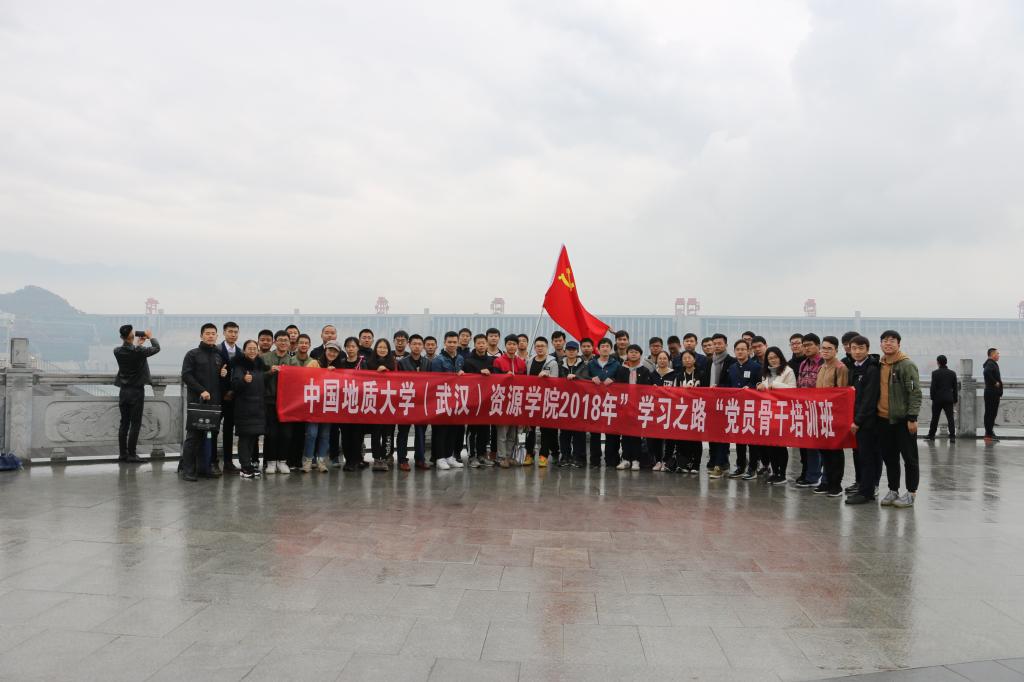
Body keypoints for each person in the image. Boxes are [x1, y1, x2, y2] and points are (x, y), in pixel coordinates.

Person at [877, 330, 922, 509]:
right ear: (880, 344)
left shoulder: (906, 365)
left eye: (892, 341)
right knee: (890, 458)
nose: (888, 343)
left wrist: (912, 417)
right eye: (885, 340)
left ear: (899, 344)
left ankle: (911, 493)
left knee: (910, 458)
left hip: (903, 420)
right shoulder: (879, 364)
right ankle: (893, 490)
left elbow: (915, 392)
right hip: (883, 420)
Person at [180, 323, 227, 482]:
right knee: (193, 436)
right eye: (207, 333)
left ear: (217, 336)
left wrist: (223, 374)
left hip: (214, 403)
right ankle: (188, 470)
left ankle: (204, 468)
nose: (210, 336)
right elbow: (186, 375)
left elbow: (220, 379)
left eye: (213, 333)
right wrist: (201, 390)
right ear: (201, 336)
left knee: (210, 436)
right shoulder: (192, 354)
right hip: (197, 402)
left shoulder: (218, 355)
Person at [113, 324, 160, 464]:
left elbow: (131, 351)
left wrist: (139, 344)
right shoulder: (139, 351)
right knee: (135, 423)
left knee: (124, 423)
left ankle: (123, 454)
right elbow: (157, 348)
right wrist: (150, 337)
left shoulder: (117, 351)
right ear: (132, 336)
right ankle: (132, 454)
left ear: (121, 337)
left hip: (123, 391)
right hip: (136, 391)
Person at [846, 335, 881, 505]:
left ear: (867, 349)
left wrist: (858, 421)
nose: (857, 351)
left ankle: (866, 493)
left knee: (867, 457)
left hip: (868, 422)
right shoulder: (854, 368)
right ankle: (864, 488)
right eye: (854, 348)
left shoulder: (872, 369)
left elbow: (869, 399)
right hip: (858, 419)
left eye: (861, 348)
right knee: (862, 456)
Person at [815, 336, 849, 497]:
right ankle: (827, 482)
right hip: (821, 414)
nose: (825, 351)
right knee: (824, 451)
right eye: (823, 348)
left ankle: (836, 484)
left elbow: (843, 393)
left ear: (836, 350)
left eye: (829, 348)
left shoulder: (840, 368)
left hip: (834, 415)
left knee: (835, 451)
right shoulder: (821, 367)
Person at [261, 329, 299, 474]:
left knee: (286, 434)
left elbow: (298, 381)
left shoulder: (293, 360)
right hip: (269, 401)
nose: (283, 343)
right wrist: (269, 372)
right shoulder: (265, 358)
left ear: (289, 343)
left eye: (286, 340)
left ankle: (282, 461)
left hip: (287, 403)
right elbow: (258, 377)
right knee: (271, 433)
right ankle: (270, 462)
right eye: (280, 340)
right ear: (274, 342)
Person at [756, 346, 796, 484]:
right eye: (770, 358)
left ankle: (782, 474)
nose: (773, 360)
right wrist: (760, 385)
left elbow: (793, 389)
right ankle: (774, 471)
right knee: (770, 444)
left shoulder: (788, 371)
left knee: (780, 445)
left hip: (782, 412)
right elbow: (764, 388)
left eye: (775, 357)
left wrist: (775, 385)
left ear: (780, 357)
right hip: (769, 412)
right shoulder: (766, 372)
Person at [723, 339, 761, 479]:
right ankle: (740, 466)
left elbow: (759, 384)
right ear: (734, 351)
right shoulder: (732, 367)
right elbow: (727, 385)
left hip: (751, 408)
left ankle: (753, 468)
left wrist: (750, 388)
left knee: (752, 439)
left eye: (743, 349)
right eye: (738, 349)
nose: (740, 352)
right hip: (736, 408)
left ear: (749, 351)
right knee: (739, 438)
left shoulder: (756, 367)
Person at [304, 340, 343, 473]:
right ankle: (308, 460)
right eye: (330, 350)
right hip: (314, 404)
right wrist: (325, 372)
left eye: (335, 351)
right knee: (311, 433)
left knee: (325, 434)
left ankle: (321, 460)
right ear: (325, 350)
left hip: (329, 405)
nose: (332, 353)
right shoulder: (314, 363)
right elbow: (305, 378)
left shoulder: (340, 367)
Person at [230, 340, 267, 478]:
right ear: (244, 351)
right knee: (245, 438)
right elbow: (235, 386)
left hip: (258, 407)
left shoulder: (260, 366)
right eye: (249, 349)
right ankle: (244, 467)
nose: (252, 351)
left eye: (254, 349)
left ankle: (249, 465)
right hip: (244, 407)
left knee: (253, 437)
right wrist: (244, 380)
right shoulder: (239, 366)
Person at [430, 331, 466, 470]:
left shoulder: (460, 358)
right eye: (449, 342)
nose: (452, 344)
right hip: (441, 399)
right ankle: (440, 458)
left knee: (453, 429)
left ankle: (449, 456)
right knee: (441, 430)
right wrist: (454, 375)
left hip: (456, 399)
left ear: (458, 343)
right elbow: (437, 380)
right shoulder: (438, 360)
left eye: (454, 342)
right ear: (444, 343)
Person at [613, 344, 652, 470]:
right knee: (625, 434)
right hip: (624, 405)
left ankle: (636, 460)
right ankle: (625, 459)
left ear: (640, 355)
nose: (633, 354)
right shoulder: (621, 370)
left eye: (636, 352)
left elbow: (647, 389)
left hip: (638, 406)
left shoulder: (645, 371)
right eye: (631, 352)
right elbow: (617, 388)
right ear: (627, 354)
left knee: (636, 434)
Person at [703, 333, 735, 479]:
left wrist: (719, 388)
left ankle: (720, 463)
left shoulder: (731, 362)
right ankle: (714, 459)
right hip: (710, 404)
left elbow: (732, 382)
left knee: (722, 434)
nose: (716, 346)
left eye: (719, 343)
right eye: (714, 343)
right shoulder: (709, 361)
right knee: (712, 433)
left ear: (726, 344)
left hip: (725, 404)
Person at [492, 335, 527, 468]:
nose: (512, 346)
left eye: (514, 344)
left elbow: (526, 382)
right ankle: (501, 457)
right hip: (502, 401)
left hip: (516, 401)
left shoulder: (521, 363)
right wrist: (504, 377)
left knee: (513, 432)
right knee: (502, 432)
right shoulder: (498, 361)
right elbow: (494, 380)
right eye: (509, 344)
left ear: (517, 346)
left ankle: (509, 456)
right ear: (505, 345)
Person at [397, 334, 431, 471]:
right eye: (414, 344)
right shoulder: (402, 363)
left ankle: (420, 459)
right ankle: (402, 460)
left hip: (421, 403)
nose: (417, 346)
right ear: (409, 345)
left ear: (423, 346)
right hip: (406, 401)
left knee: (421, 432)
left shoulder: (427, 363)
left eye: (419, 344)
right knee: (403, 432)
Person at [794, 333, 824, 488]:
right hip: (804, 409)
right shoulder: (803, 364)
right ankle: (810, 474)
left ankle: (815, 477)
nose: (806, 348)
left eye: (809, 345)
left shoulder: (824, 363)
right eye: (804, 345)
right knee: (807, 445)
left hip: (820, 409)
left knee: (818, 446)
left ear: (818, 346)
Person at [524, 336, 559, 467]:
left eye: (542, 346)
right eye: (537, 346)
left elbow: (556, 381)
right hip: (532, 398)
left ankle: (544, 455)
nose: (540, 348)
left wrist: (548, 376)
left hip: (547, 399)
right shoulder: (530, 361)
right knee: (530, 429)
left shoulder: (553, 363)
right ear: (534, 347)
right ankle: (529, 453)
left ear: (547, 347)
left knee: (546, 429)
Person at [462, 334, 495, 468]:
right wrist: (478, 374)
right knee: (473, 429)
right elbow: (465, 380)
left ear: (487, 344)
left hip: (487, 400)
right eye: (478, 343)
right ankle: (472, 456)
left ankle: (482, 454)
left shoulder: (492, 361)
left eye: (483, 343)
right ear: (474, 344)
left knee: (485, 430)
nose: (481, 345)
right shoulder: (468, 361)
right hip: (473, 401)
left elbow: (497, 377)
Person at [587, 338, 621, 468]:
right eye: (603, 346)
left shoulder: (616, 364)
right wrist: (591, 379)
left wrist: (614, 380)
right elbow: (584, 377)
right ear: (598, 349)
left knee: (611, 432)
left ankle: (611, 459)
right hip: (595, 403)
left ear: (611, 349)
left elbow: (621, 379)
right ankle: (595, 460)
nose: (605, 348)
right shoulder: (591, 364)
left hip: (611, 402)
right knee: (595, 433)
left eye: (607, 346)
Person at [366, 338, 397, 472]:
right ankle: (376, 458)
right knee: (376, 433)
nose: (382, 350)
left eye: (385, 347)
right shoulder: (369, 363)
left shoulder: (394, 364)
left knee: (388, 433)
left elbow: (398, 380)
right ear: (375, 349)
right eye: (380, 347)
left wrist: (387, 372)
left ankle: (385, 457)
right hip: (374, 404)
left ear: (388, 350)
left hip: (389, 404)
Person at [558, 341, 590, 468]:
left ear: (578, 351)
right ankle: (565, 456)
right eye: (569, 349)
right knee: (564, 433)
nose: (571, 352)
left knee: (579, 432)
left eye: (574, 350)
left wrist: (576, 377)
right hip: (563, 403)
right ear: (565, 351)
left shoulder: (584, 365)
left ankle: (579, 457)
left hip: (579, 403)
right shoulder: (559, 364)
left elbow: (587, 379)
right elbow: (556, 379)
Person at [338, 337, 368, 471]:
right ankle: (349, 461)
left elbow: (369, 380)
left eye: (353, 346)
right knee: (346, 434)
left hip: (359, 403)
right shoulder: (341, 363)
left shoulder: (363, 363)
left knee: (358, 434)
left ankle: (357, 459)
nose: (350, 349)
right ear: (345, 348)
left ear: (357, 348)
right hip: (344, 404)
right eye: (348, 346)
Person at [648, 350, 679, 472]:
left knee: (669, 436)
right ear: (656, 360)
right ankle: (658, 461)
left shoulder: (674, 374)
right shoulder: (652, 374)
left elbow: (677, 392)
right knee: (655, 436)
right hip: (655, 410)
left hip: (670, 410)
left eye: (664, 358)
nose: (662, 360)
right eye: (660, 358)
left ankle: (666, 460)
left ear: (669, 360)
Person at [217, 321, 240, 472]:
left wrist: (232, 391)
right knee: (212, 430)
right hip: (217, 397)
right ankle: (211, 461)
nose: (233, 334)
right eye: (230, 331)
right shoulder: (216, 350)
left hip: (233, 398)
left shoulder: (240, 353)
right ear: (224, 333)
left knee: (228, 431)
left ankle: (228, 462)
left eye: (235, 332)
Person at [675, 350, 703, 474]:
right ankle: (683, 463)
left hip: (697, 409)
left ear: (694, 359)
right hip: (683, 409)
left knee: (696, 438)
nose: (687, 360)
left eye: (689, 357)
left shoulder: (701, 373)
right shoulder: (679, 375)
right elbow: (674, 392)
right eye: (684, 358)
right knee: (682, 438)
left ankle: (696, 464)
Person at [926, 355, 958, 442]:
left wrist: (932, 397)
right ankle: (952, 437)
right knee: (950, 418)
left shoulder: (935, 373)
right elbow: (955, 388)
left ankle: (931, 435)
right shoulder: (952, 373)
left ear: (938, 362)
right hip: (948, 399)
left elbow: (933, 387)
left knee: (935, 418)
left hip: (937, 399)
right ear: (946, 362)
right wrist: (955, 400)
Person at [983, 348, 1002, 442]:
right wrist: (995, 382)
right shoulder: (990, 363)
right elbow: (986, 372)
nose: (998, 355)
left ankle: (989, 432)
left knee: (990, 413)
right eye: (997, 353)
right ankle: (989, 434)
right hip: (992, 392)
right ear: (992, 354)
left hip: (991, 392)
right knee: (991, 413)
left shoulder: (990, 363)